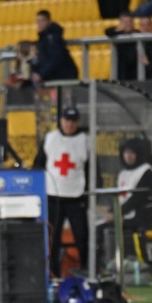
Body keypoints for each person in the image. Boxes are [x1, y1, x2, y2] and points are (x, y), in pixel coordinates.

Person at [33, 107, 90, 278]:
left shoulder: (85, 141)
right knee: (53, 237)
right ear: (61, 121)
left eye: (73, 121)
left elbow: (92, 169)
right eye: (66, 120)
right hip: (53, 197)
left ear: (78, 122)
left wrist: (89, 196)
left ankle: (87, 270)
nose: (69, 124)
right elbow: (38, 165)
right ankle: (53, 273)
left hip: (76, 197)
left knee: (81, 236)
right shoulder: (50, 139)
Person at [97, 138, 152, 269]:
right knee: (99, 226)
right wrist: (111, 211)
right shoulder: (123, 173)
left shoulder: (147, 172)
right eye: (126, 152)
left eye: (132, 153)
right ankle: (103, 266)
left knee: (102, 228)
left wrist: (116, 213)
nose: (128, 156)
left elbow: (137, 199)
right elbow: (118, 197)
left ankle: (106, 266)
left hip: (141, 218)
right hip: (124, 216)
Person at [32, 10, 79, 84]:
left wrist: (42, 74)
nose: (39, 24)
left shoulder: (52, 38)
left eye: (42, 21)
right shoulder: (44, 38)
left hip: (63, 75)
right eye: (37, 21)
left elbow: (55, 58)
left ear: (49, 21)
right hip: (54, 75)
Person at [105, 11, 141, 81]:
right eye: (125, 22)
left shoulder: (138, 33)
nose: (128, 24)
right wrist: (119, 29)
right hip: (122, 69)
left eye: (130, 22)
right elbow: (108, 31)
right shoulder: (117, 34)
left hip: (136, 68)